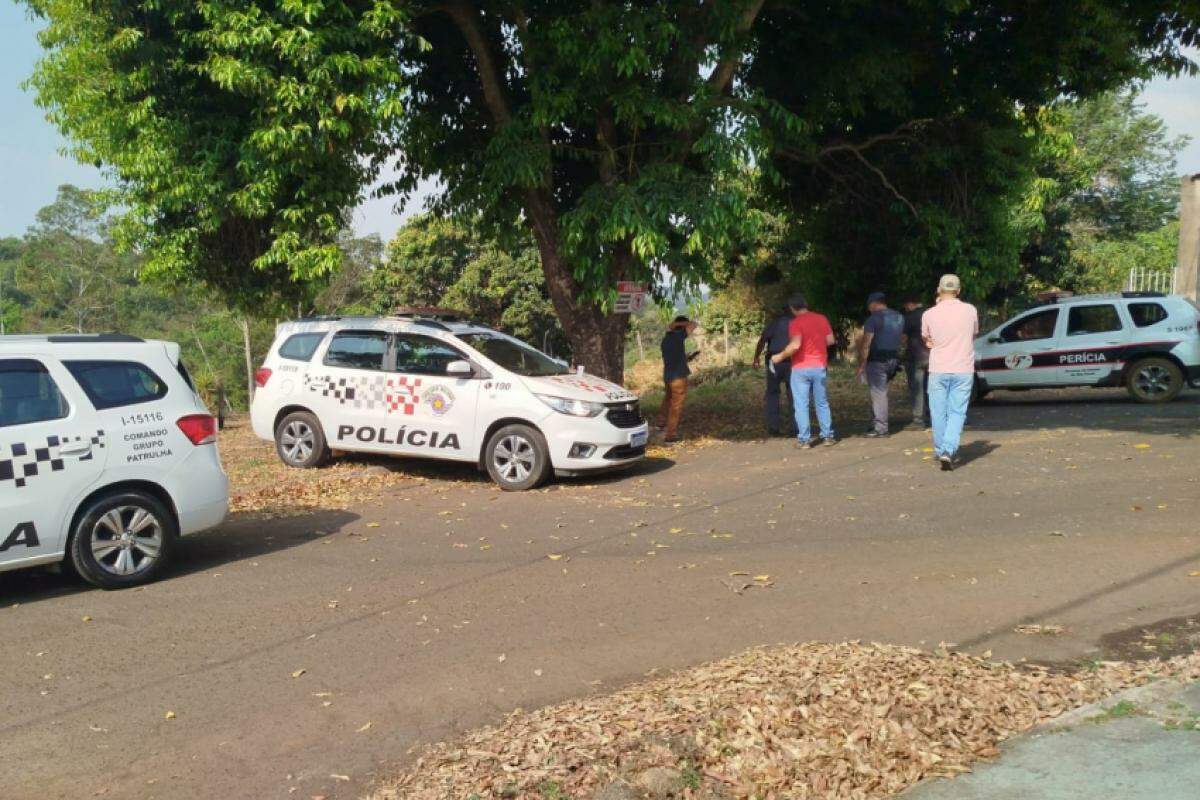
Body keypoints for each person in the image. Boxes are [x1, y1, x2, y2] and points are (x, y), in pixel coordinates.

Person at [921, 274, 979, 471]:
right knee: (957, 412)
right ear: (959, 291)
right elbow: (973, 333)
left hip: (938, 368)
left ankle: (940, 450)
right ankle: (948, 449)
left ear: (938, 290)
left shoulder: (929, 314)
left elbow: (927, 339)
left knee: (938, 412)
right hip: (963, 368)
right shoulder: (970, 310)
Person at [770, 295, 837, 449]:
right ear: (806, 305)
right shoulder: (822, 319)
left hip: (800, 368)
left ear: (793, 309)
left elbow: (795, 345)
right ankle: (827, 436)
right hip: (819, 366)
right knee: (821, 402)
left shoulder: (795, 323)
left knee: (801, 404)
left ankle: (804, 440)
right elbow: (830, 341)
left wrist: (779, 356)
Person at [855, 292, 904, 437]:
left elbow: (866, 344)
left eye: (869, 306)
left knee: (879, 394)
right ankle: (876, 422)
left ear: (873, 304)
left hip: (877, 361)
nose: (869, 309)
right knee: (881, 393)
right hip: (894, 360)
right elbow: (902, 338)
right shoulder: (899, 317)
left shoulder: (873, 319)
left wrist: (861, 364)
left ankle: (881, 428)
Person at [752, 305, 794, 436]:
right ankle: (796, 427)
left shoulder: (774, 324)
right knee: (794, 394)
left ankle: (773, 427)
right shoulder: (797, 323)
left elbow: (762, 340)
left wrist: (756, 357)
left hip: (774, 362)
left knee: (773, 394)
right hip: (792, 361)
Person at [656, 315, 699, 443]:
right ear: (681, 328)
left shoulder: (666, 339)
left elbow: (674, 357)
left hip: (668, 376)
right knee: (676, 406)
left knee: (668, 399)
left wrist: (686, 358)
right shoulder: (678, 337)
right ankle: (671, 435)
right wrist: (686, 323)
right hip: (678, 377)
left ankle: (660, 423)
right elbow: (693, 325)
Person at [901, 297, 931, 429]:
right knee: (930, 388)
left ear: (910, 303)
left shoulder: (910, 317)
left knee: (917, 388)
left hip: (916, 356)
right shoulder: (929, 314)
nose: (905, 308)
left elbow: (903, 337)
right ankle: (932, 415)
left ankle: (918, 419)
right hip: (931, 356)